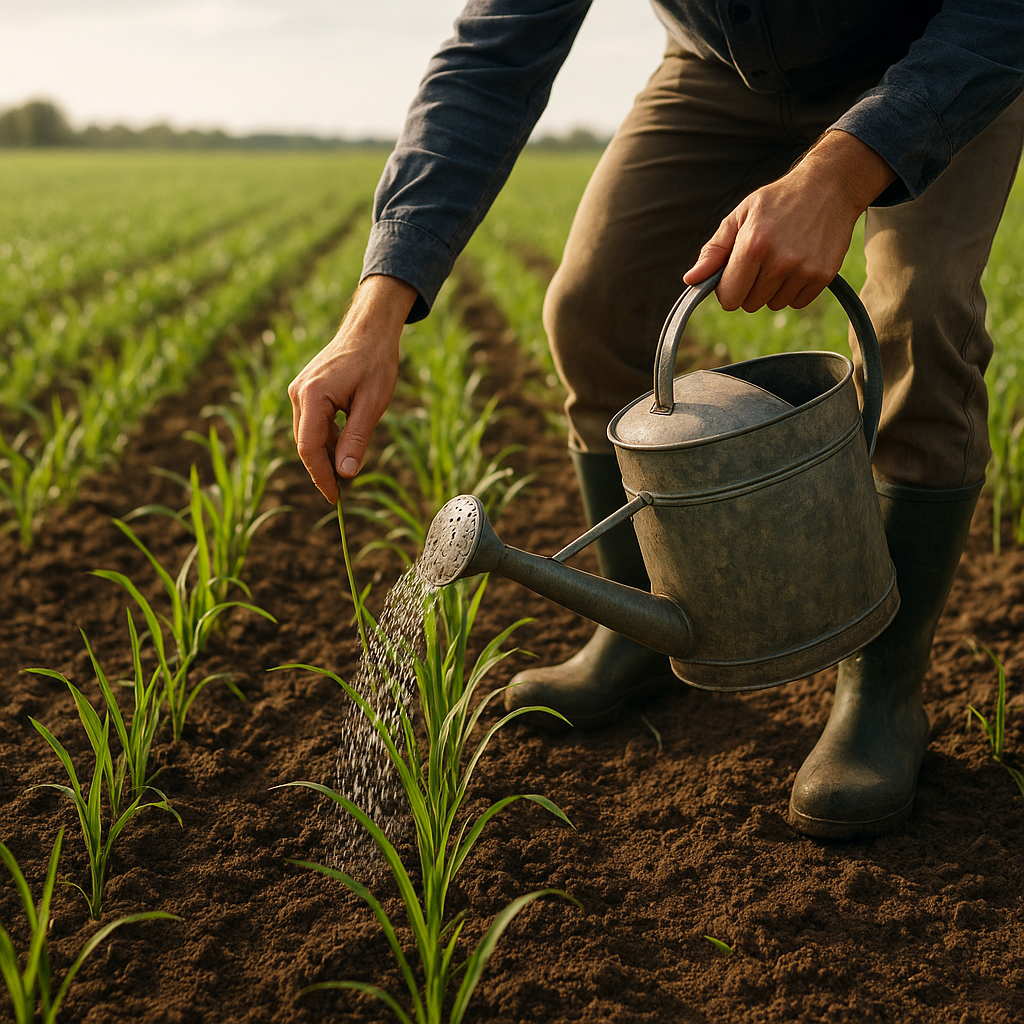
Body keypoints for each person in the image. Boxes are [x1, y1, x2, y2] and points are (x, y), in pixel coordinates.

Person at [289, 2, 1024, 840]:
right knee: (591, 302)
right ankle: (642, 622)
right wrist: (378, 305)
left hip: (937, 48)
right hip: (722, 67)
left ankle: (881, 686)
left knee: (921, 320)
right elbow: (492, 55)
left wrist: (840, 175)